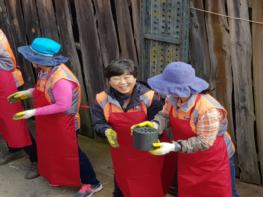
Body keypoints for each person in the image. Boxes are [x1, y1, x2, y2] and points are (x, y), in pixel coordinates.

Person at [8, 37, 102, 197]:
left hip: (64, 122)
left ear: (39, 60)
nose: (30, 61)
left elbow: (62, 105)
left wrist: (32, 112)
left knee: (73, 153)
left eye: (32, 58)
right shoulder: (45, 71)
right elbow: (43, 90)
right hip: (50, 121)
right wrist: (27, 92)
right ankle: (61, 176)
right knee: (54, 150)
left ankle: (92, 183)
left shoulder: (62, 80)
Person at [132, 61, 239, 197]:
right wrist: (155, 125)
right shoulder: (173, 98)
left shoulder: (207, 109)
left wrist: (172, 147)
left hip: (214, 159)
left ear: (180, 88)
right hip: (188, 157)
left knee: (227, 193)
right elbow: (164, 115)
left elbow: (204, 142)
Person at [92, 59, 164, 197]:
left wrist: (148, 136)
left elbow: (159, 123)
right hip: (121, 150)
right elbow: (98, 123)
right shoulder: (102, 99)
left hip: (147, 151)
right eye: (116, 78)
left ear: (135, 77)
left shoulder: (149, 97)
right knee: (122, 179)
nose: (123, 82)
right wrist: (106, 131)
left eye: (127, 77)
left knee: (147, 183)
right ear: (109, 81)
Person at [0, 29, 38, 179]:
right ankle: (14, 149)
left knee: (15, 122)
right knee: (2, 121)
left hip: (4, 80)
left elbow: (8, 63)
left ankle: (36, 159)